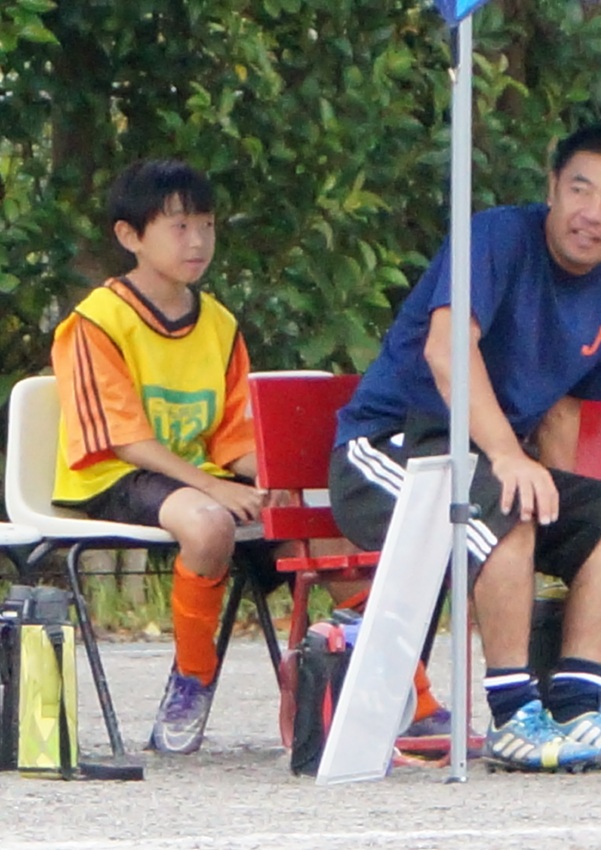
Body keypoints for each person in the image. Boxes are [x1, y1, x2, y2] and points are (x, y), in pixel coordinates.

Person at [49, 160, 445, 754]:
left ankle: (415, 698)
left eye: (206, 225)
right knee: (209, 524)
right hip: (115, 476)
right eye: (179, 226)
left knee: (324, 532)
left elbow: (232, 436)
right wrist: (214, 488)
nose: (198, 241)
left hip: (195, 478)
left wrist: (272, 477)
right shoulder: (95, 322)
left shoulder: (219, 323)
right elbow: (123, 439)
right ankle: (192, 677)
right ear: (130, 236)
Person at [329, 126, 601, 773]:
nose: (592, 213)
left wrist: (559, 517)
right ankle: (514, 717)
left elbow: (563, 409)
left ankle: (576, 708)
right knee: (505, 504)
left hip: (488, 464)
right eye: (579, 190)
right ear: (552, 188)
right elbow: (447, 351)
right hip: (392, 448)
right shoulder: (494, 238)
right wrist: (511, 460)